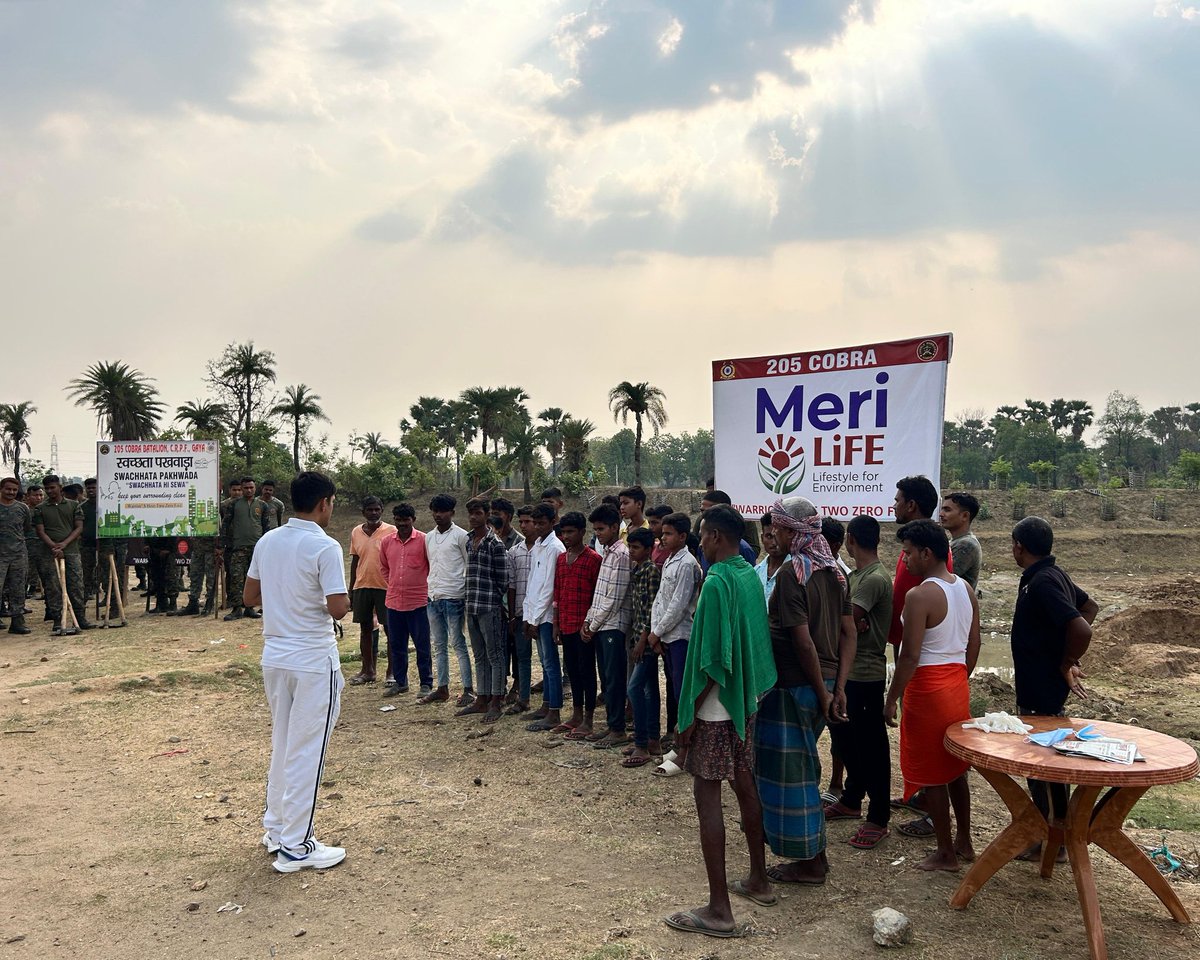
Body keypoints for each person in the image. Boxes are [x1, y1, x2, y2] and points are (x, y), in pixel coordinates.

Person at [664, 503, 777, 940]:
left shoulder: (716, 583)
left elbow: (712, 661)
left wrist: (688, 718)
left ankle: (719, 910)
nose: (701, 542)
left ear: (713, 536)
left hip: (716, 705)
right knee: (745, 783)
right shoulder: (749, 573)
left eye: (702, 535)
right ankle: (759, 880)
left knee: (706, 793)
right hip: (744, 698)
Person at [244, 471, 349, 873]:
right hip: (311, 658)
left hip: (275, 656)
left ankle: (276, 829)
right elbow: (338, 607)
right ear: (325, 503)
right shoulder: (325, 546)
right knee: (308, 749)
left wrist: (286, 597)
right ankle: (296, 847)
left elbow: (250, 596)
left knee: (285, 743)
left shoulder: (268, 541)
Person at [754, 497, 854, 884]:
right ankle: (816, 852)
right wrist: (837, 688)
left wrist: (824, 691)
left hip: (794, 686)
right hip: (822, 686)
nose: (773, 534)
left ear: (793, 532)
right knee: (805, 767)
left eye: (778, 528)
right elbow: (847, 635)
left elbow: (803, 643)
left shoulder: (793, 575)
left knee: (789, 776)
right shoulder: (836, 572)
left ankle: (809, 863)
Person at [883, 519, 980, 872]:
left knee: (932, 773)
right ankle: (964, 841)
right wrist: (958, 678)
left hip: (927, 687)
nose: (904, 559)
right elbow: (974, 645)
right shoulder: (964, 590)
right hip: (955, 684)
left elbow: (909, 656)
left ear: (926, 553)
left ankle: (945, 852)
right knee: (955, 768)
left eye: (907, 552)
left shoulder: (920, 594)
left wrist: (892, 696)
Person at [1009, 516, 1099, 863]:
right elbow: (1089, 607)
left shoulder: (1044, 581)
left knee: (1040, 764)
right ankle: (1054, 835)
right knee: (1049, 762)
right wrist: (1064, 652)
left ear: (1019, 546)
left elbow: (1083, 627)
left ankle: (1050, 839)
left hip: (1042, 686)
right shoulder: (1050, 574)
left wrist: (1067, 659)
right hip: (1041, 682)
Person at [824, 515, 894, 849]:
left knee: (872, 746)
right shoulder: (856, 576)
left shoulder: (873, 579)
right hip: (848, 671)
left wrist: (843, 622)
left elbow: (847, 621)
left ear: (850, 539)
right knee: (844, 737)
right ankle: (852, 798)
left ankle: (878, 817)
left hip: (865, 674)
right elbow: (846, 622)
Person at [888, 476, 952, 835]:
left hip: (922, 657)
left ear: (911, 504)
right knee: (915, 733)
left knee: (929, 740)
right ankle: (920, 793)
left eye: (898, 500)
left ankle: (932, 809)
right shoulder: (917, 542)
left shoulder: (930, 548)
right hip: (909, 648)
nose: (893, 505)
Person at [650, 512, 703, 777]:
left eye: (669, 534)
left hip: (681, 636)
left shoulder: (687, 564)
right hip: (667, 636)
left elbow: (679, 606)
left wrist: (657, 632)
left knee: (684, 696)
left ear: (682, 536)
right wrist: (656, 632)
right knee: (674, 691)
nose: (663, 537)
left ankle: (686, 751)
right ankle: (681, 743)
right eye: (663, 533)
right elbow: (661, 599)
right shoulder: (670, 559)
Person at [583, 504, 632, 747]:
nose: (598, 533)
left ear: (615, 527)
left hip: (613, 624)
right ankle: (613, 725)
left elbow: (614, 598)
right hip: (601, 624)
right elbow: (599, 592)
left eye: (601, 529)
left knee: (614, 678)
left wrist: (593, 623)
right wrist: (588, 620)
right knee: (606, 677)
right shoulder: (607, 552)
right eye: (595, 529)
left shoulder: (622, 554)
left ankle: (618, 728)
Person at [460, 498, 509, 723]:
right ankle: (482, 698)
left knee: (495, 655)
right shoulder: (470, 540)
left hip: (489, 606)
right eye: (471, 513)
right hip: (471, 605)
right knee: (479, 655)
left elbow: (503, 579)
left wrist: (495, 601)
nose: (473, 517)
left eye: (478, 513)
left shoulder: (495, 543)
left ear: (487, 514)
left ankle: (496, 701)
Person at [553, 512, 602, 739]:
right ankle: (576, 714)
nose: (566, 537)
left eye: (571, 532)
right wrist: (556, 625)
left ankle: (589, 718)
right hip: (566, 623)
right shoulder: (561, 560)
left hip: (585, 628)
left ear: (583, 532)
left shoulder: (593, 559)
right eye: (563, 532)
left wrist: (590, 624)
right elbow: (558, 593)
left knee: (586, 672)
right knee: (572, 671)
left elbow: (597, 596)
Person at [422, 494, 474, 707]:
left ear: (452, 513)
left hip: (454, 597)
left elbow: (468, 565)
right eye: (435, 511)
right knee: (439, 644)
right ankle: (442, 688)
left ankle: (468, 690)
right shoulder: (429, 537)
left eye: (443, 511)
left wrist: (464, 594)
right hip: (434, 596)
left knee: (458, 643)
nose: (438, 515)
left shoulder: (462, 536)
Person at [379, 504, 434, 697]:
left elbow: (431, 567)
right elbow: (384, 568)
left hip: (418, 602)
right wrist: (394, 584)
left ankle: (426, 683)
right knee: (397, 645)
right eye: (398, 520)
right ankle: (400, 682)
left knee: (422, 645)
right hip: (394, 602)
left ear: (413, 519)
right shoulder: (386, 542)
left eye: (405, 520)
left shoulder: (424, 541)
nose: (402, 524)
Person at [523, 503, 566, 732]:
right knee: (544, 661)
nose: (538, 527)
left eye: (542, 523)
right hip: (535, 614)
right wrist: (527, 615)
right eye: (535, 523)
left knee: (551, 664)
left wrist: (536, 617)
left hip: (547, 615)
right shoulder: (538, 545)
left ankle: (555, 711)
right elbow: (532, 582)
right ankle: (546, 705)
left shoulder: (554, 547)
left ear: (552, 522)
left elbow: (550, 587)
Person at [33, 474, 93, 633]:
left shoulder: (74, 505)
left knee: (76, 585)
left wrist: (64, 544)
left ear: (60, 487)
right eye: (47, 488)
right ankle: (58, 620)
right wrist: (54, 546)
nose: (49, 491)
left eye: (52, 487)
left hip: (71, 551)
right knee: (53, 587)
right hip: (49, 553)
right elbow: (40, 531)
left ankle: (80, 618)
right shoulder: (40, 508)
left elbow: (79, 527)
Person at [347, 497, 396, 686]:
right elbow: (355, 561)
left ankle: (392, 672)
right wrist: (351, 589)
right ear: (363, 512)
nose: (374, 513)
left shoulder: (391, 531)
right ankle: (368, 670)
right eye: (370, 510)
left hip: (385, 586)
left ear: (382, 510)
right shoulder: (356, 532)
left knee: (390, 629)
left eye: (377, 509)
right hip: (362, 586)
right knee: (365, 629)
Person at [624, 527, 662, 768]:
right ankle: (652, 739)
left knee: (634, 688)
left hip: (646, 641)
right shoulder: (637, 570)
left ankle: (641, 742)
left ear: (648, 550)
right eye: (630, 546)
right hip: (638, 636)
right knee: (649, 689)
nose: (631, 551)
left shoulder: (650, 572)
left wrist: (642, 640)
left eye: (636, 547)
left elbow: (651, 609)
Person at [505, 505, 537, 714]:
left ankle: (550, 703)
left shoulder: (547, 549)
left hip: (542, 614)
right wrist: (512, 615)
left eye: (528, 522)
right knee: (523, 657)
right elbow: (512, 585)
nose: (524, 526)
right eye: (521, 522)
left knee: (547, 660)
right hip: (520, 613)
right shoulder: (514, 552)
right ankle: (523, 698)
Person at [223, 476, 268, 620]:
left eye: (251, 487)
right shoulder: (234, 505)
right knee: (236, 578)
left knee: (254, 579)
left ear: (255, 488)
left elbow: (266, 528)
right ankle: (236, 608)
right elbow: (225, 525)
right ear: (241, 489)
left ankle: (250, 608)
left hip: (257, 549)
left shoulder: (262, 505)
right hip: (238, 548)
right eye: (246, 488)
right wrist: (222, 544)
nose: (248, 490)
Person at [695, 491, 757, 572]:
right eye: (702, 511)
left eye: (709, 512)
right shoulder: (703, 546)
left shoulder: (744, 549)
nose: (704, 516)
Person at [0, 478, 31, 634]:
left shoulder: (22, 508)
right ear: (1, 489)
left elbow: (26, 527)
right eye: (8, 489)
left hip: (18, 554)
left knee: (18, 589)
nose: (11, 492)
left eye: (14, 490)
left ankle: (17, 623)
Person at [940, 492, 982, 591]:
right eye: (942, 509)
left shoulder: (966, 545)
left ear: (965, 516)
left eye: (947, 510)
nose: (941, 514)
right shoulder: (956, 541)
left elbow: (942, 579)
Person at [753, 514, 787, 605]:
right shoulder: (756, 572)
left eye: (777, 536)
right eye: (769, 536)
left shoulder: (796, 571)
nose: (774, 543)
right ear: (762, 538)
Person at [23, 484, 45, 602]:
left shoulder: (45, 509)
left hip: (44, 545)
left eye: (41, 495)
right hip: (28, 545)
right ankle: (29, 590)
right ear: (28, 496)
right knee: (29, 570)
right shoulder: (24, 510)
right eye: (35, 495)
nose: (39, 498)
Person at [80, 479, 99, 606]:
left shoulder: (105, 505)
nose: (91, 490)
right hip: (87, 544)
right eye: (88, 488)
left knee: (102, 571)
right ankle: (86, 593)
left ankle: (98, 590)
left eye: (93, 488)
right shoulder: (82, 507)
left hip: (103, 544)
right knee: (86, 571)